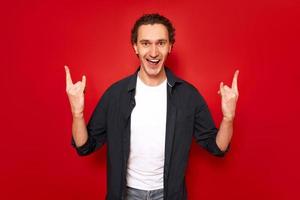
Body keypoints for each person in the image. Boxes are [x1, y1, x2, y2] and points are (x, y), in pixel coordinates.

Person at [65, 13, 239, 200]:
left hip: (169, 195)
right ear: (135, 47)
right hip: (125, 194)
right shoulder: (115, 95)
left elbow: (217, 147)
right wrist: (77, 113)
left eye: (161, 43)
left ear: (170, 46)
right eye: (146, 43)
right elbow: (84, 146)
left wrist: (228, 118)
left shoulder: (188, 96)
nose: (154, 52)